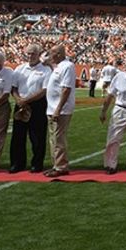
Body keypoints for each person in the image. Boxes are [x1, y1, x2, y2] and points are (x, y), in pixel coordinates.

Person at [9, 44, 52, 174]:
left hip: (37, 105)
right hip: (20, 104)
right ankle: (17, 163)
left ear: (39, 54)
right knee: (18, 136)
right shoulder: (19, 69)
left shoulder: (46, 70)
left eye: (33, 53)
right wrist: (18, 100)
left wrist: (26, 101)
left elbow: (44, 90)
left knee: (37, 137)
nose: (30, 56)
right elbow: (13, 87)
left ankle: (37, 164)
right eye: (28, 53)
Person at [43, 43, 77, 178]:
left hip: (60, 110)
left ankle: (61, 166)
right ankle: (56, 165)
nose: (49, 56)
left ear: (58, 54)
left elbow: (66, 89)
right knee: (54, 139)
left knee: (58, 139)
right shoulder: (58, 66)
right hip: (52, 108)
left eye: (51, 53)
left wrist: (58, 109)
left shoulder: (67, 66)